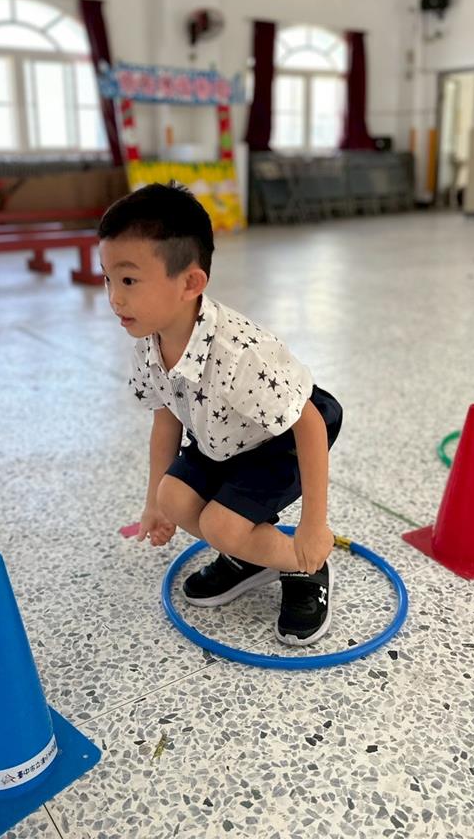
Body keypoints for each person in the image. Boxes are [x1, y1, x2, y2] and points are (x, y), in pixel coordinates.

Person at [99, 183, 343, 646]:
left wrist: (314, 526)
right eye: (107, 278)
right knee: (173, 498)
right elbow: (166, 418)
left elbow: (308, 423)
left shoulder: (238, 355)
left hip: (284, 436)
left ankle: (304, 566)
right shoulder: (149, 342)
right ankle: (250, 556)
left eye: (128, 281)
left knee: (221, 525)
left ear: (191, 283)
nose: (114, 298)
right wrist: (153, 502)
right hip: (225, 435)